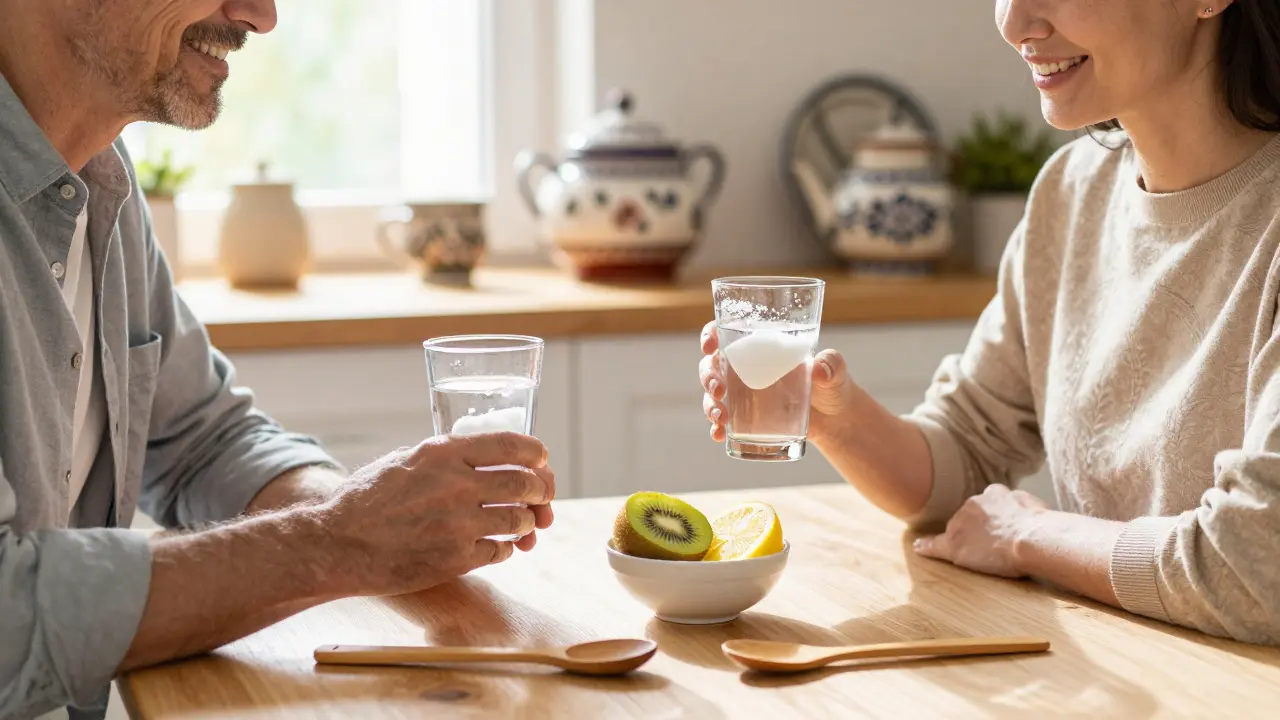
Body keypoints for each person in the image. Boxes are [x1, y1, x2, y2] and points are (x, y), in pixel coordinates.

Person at [0, 2, 557, 718]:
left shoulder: (102, 181)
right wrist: (340, 542)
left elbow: (203, 440)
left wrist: (386, 514)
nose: (260, 16)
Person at [702, 0, 1280, 646]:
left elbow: (1258, 567)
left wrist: (1034, 536)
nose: (1013, 23)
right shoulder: (1072, 194)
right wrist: (834, 417)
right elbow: (967, 456)